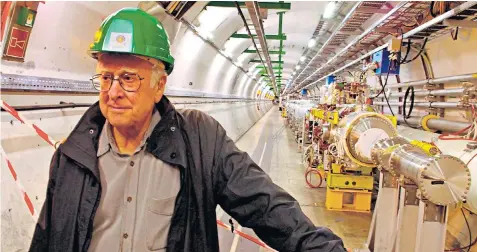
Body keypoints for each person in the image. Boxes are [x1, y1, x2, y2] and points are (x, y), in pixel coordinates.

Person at [29, 8, 346, 252]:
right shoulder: (72, 156)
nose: (113, 92)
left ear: (158, 85)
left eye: (128, 78)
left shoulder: (199, 140)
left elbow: (265, 204)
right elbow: (45, 238)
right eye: (106, 77)